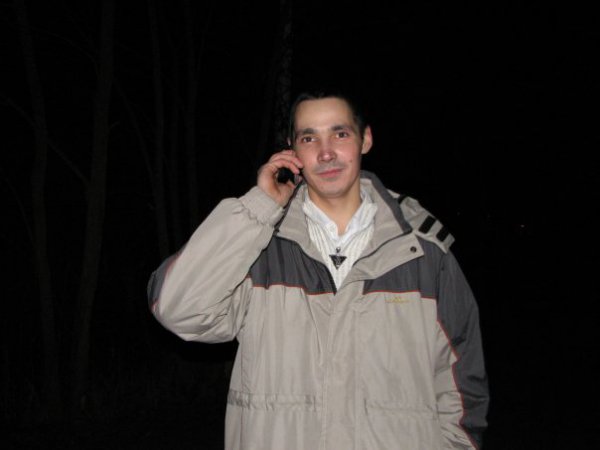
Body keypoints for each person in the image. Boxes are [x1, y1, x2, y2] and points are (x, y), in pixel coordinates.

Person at [148, 91, 489, 449]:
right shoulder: (258, 248)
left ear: (365, 140)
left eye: (339, 134)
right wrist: (258, 208)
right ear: (293, 150)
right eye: (309, 138)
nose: (326, 153)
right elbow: (178, 310)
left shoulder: (424, 254)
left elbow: (462, 388)